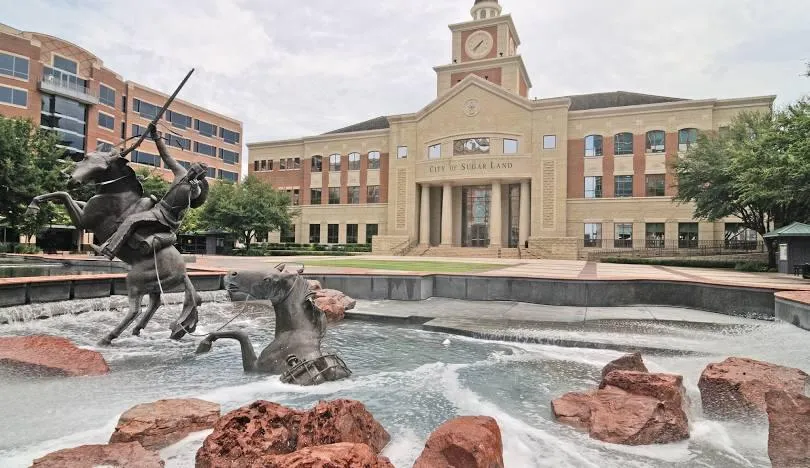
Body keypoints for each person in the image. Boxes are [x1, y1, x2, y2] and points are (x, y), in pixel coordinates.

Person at [94, 124, 208, 259]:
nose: (191, 172)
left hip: (167, 218)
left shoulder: (195, 189)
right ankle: (107, 243)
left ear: (199, 176)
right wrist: (156, 136)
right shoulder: (180, 172)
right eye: (192, 169)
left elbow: (195, 196)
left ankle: (109, 252)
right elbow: (166, 156)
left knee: (132, 220)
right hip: (158, 209)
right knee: (128, 213)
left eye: (195, 172)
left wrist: (194, 189)